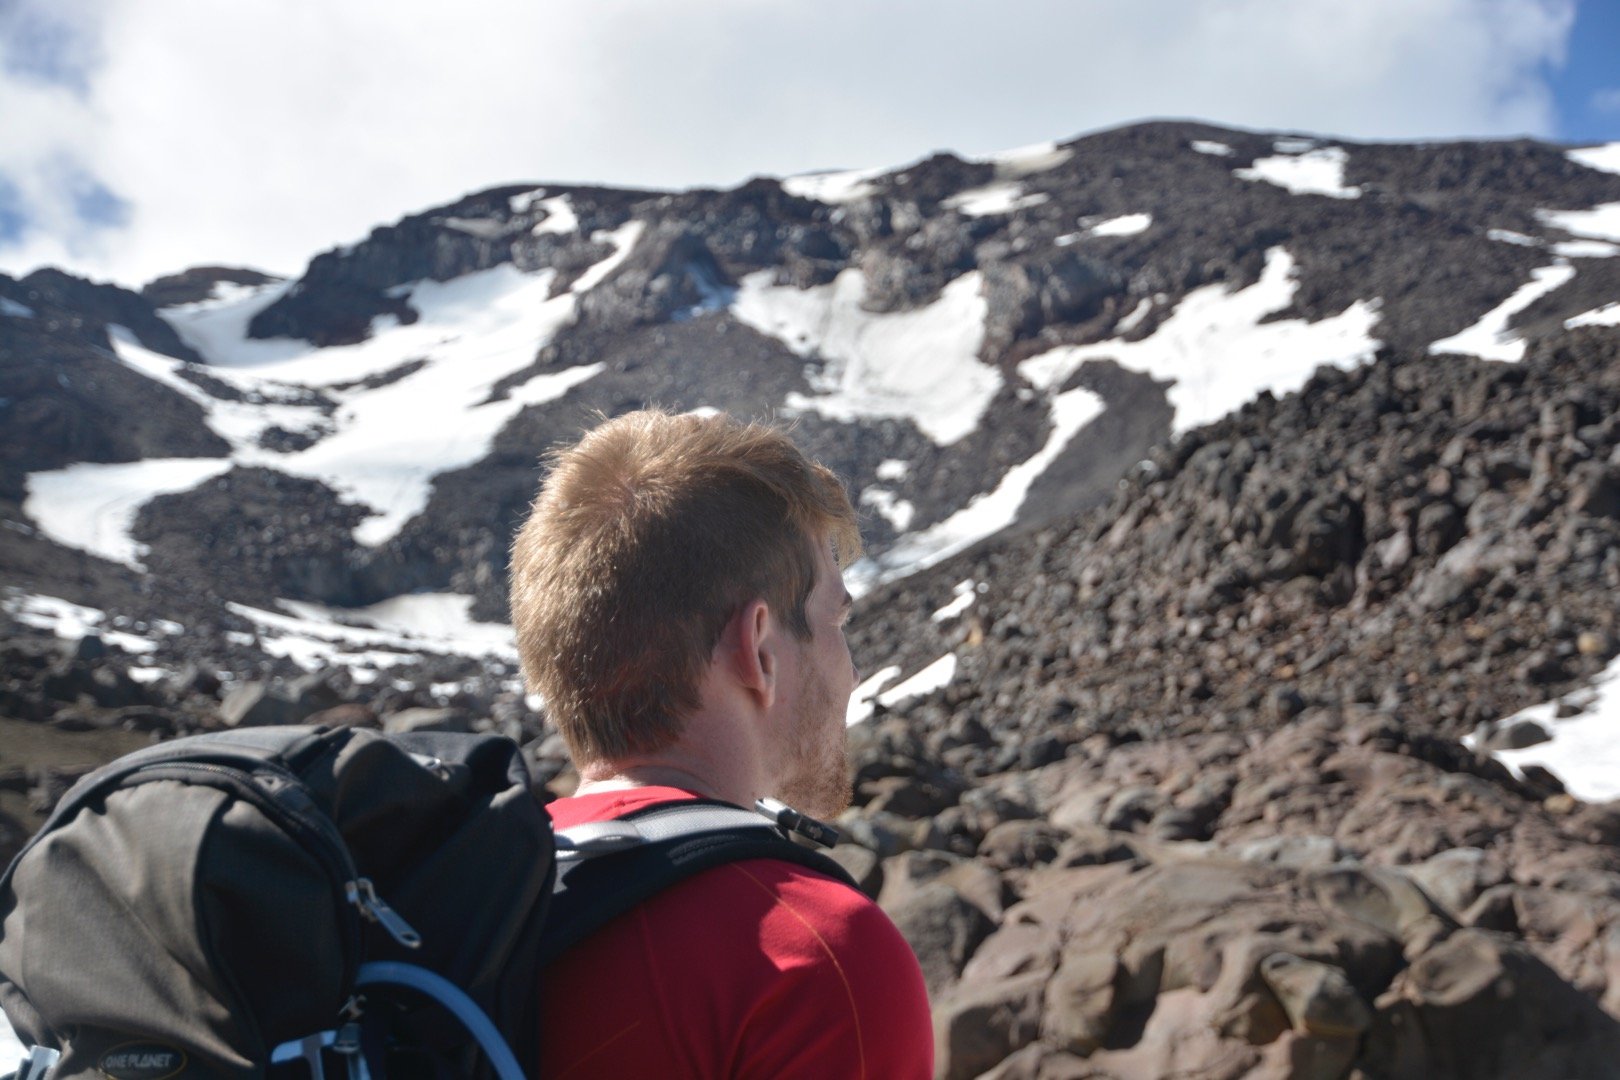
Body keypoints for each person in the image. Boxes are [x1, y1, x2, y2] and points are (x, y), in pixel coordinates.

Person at [509, 408, 934, 1078]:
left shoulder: (474, 899)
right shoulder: (811, 957)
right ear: (759, 648)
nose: (850, 670)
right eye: (835, 620)